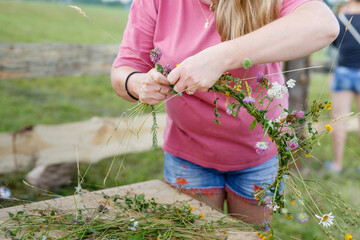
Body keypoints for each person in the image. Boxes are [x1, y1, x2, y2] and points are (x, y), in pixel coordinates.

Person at [111, 0, 339, 225]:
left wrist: (219, 58)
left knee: (250, 233)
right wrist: (137, 83)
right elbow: (123, 70)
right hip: (189, 153)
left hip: (259, 154)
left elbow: (324, 25)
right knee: (197, 232)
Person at [327, 0, 360, 173]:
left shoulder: (340, 18)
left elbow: (334, 44)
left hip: (344, 72)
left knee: (340, 118)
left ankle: (337, 165)